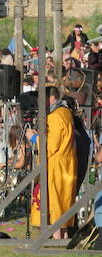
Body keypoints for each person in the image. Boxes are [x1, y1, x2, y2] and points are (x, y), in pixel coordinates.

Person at [27, 86, 77, 239]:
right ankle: (64, 235)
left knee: (55, 203)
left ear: (51, 98)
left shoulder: (55, 116)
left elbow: (50, 145)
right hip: (66, 163)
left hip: (56, 165)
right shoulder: (66, 112)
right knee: (63, 202)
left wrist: (34, 138)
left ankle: (57, 238)